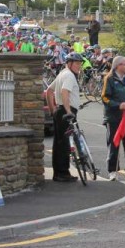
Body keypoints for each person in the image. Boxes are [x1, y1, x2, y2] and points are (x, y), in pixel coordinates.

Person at [45, 52, 83, 182]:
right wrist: (68, 111)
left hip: (60, 111)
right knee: (64, 143)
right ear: (69, 63)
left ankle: (59, 173)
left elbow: (49, 91)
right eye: (77, 63)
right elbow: (64, 91)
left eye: (80, 63)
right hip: (67, 111)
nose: (79, 66)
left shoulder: (62, 74)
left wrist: (52, 110)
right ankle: (62, 173)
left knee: (59, 142)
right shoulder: (69, 76)